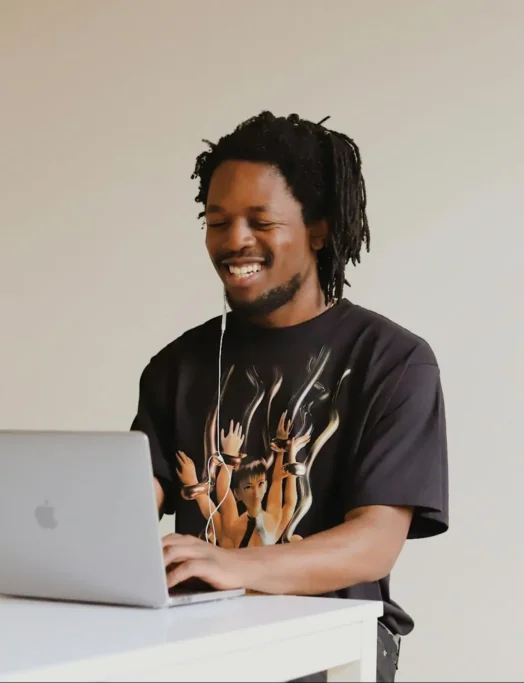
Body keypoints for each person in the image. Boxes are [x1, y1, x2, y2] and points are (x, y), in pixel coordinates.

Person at [131, 111, 449, 682]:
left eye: (261, 220)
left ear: (318, 228)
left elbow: (373, 543)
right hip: (195, 641)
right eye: (217, 220)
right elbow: (136, 497)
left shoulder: (392, 361)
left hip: (327, 646)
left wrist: (232, 565)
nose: (234, 242)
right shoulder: (175, 366)